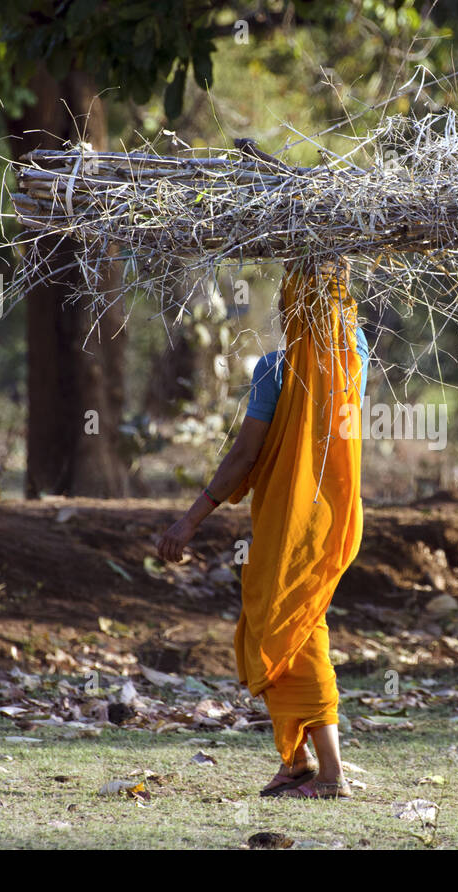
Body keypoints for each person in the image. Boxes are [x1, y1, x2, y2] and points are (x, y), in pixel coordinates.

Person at [155, 258, 369, 799]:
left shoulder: (277, 370)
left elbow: (245, 455)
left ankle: (331, 774)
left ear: (294, 304)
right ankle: (295, 763)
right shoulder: (358, 354)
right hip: (336, 517)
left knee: (293, 631)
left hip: (291, 521)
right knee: (278, 624)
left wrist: (190, 519)